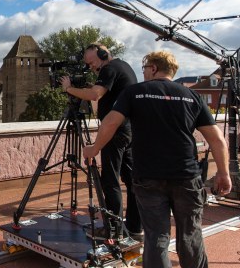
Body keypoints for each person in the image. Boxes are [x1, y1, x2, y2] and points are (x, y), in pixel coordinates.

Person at [83, 51, 231, 268]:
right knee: (190, 236)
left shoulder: (134, 92)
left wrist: (94, 148)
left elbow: (111, 122)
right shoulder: (191, 96)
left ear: (153, 68)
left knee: (156, 237)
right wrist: (223, 173)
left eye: (144, 68)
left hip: (148, 177)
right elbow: (217, 139)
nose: (143, 72)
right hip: (186, 176)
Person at [60, 43, 142, 238]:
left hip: (115, 131)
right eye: (88, 64)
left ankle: (112, 229)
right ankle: (134, 226)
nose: (91, 67)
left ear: (104, 54)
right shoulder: (123, 66)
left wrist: (69, 88)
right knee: (131, 179)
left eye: (92, 62)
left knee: (110, 180)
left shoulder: (109, 68)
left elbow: (95, 95)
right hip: (128, 129)